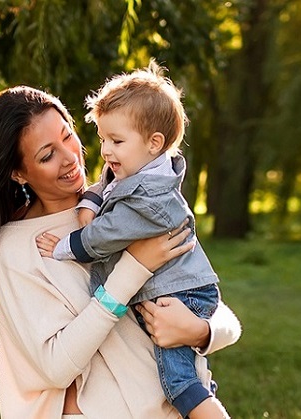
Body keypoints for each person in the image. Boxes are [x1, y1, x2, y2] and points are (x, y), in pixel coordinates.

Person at [0, 85, 241, 418]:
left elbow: (205, 295)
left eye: (68, 137)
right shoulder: (18, 250)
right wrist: (134, 267)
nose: (69, 158)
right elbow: (55, 366)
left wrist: (202, 331)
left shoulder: (127, 201)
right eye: (47, 154)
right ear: (18, 173)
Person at [35, 61, 227, 419]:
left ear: (155, 143)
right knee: (183, 373)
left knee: (178, 381)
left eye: (116, 141)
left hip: (181, 294)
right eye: (103, 139)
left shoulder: (150, 199)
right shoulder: (134, 169)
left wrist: (66, 245)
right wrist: (89, 204)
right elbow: (103, 184)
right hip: (174, 290)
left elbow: (106, 236)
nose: (106, 151)